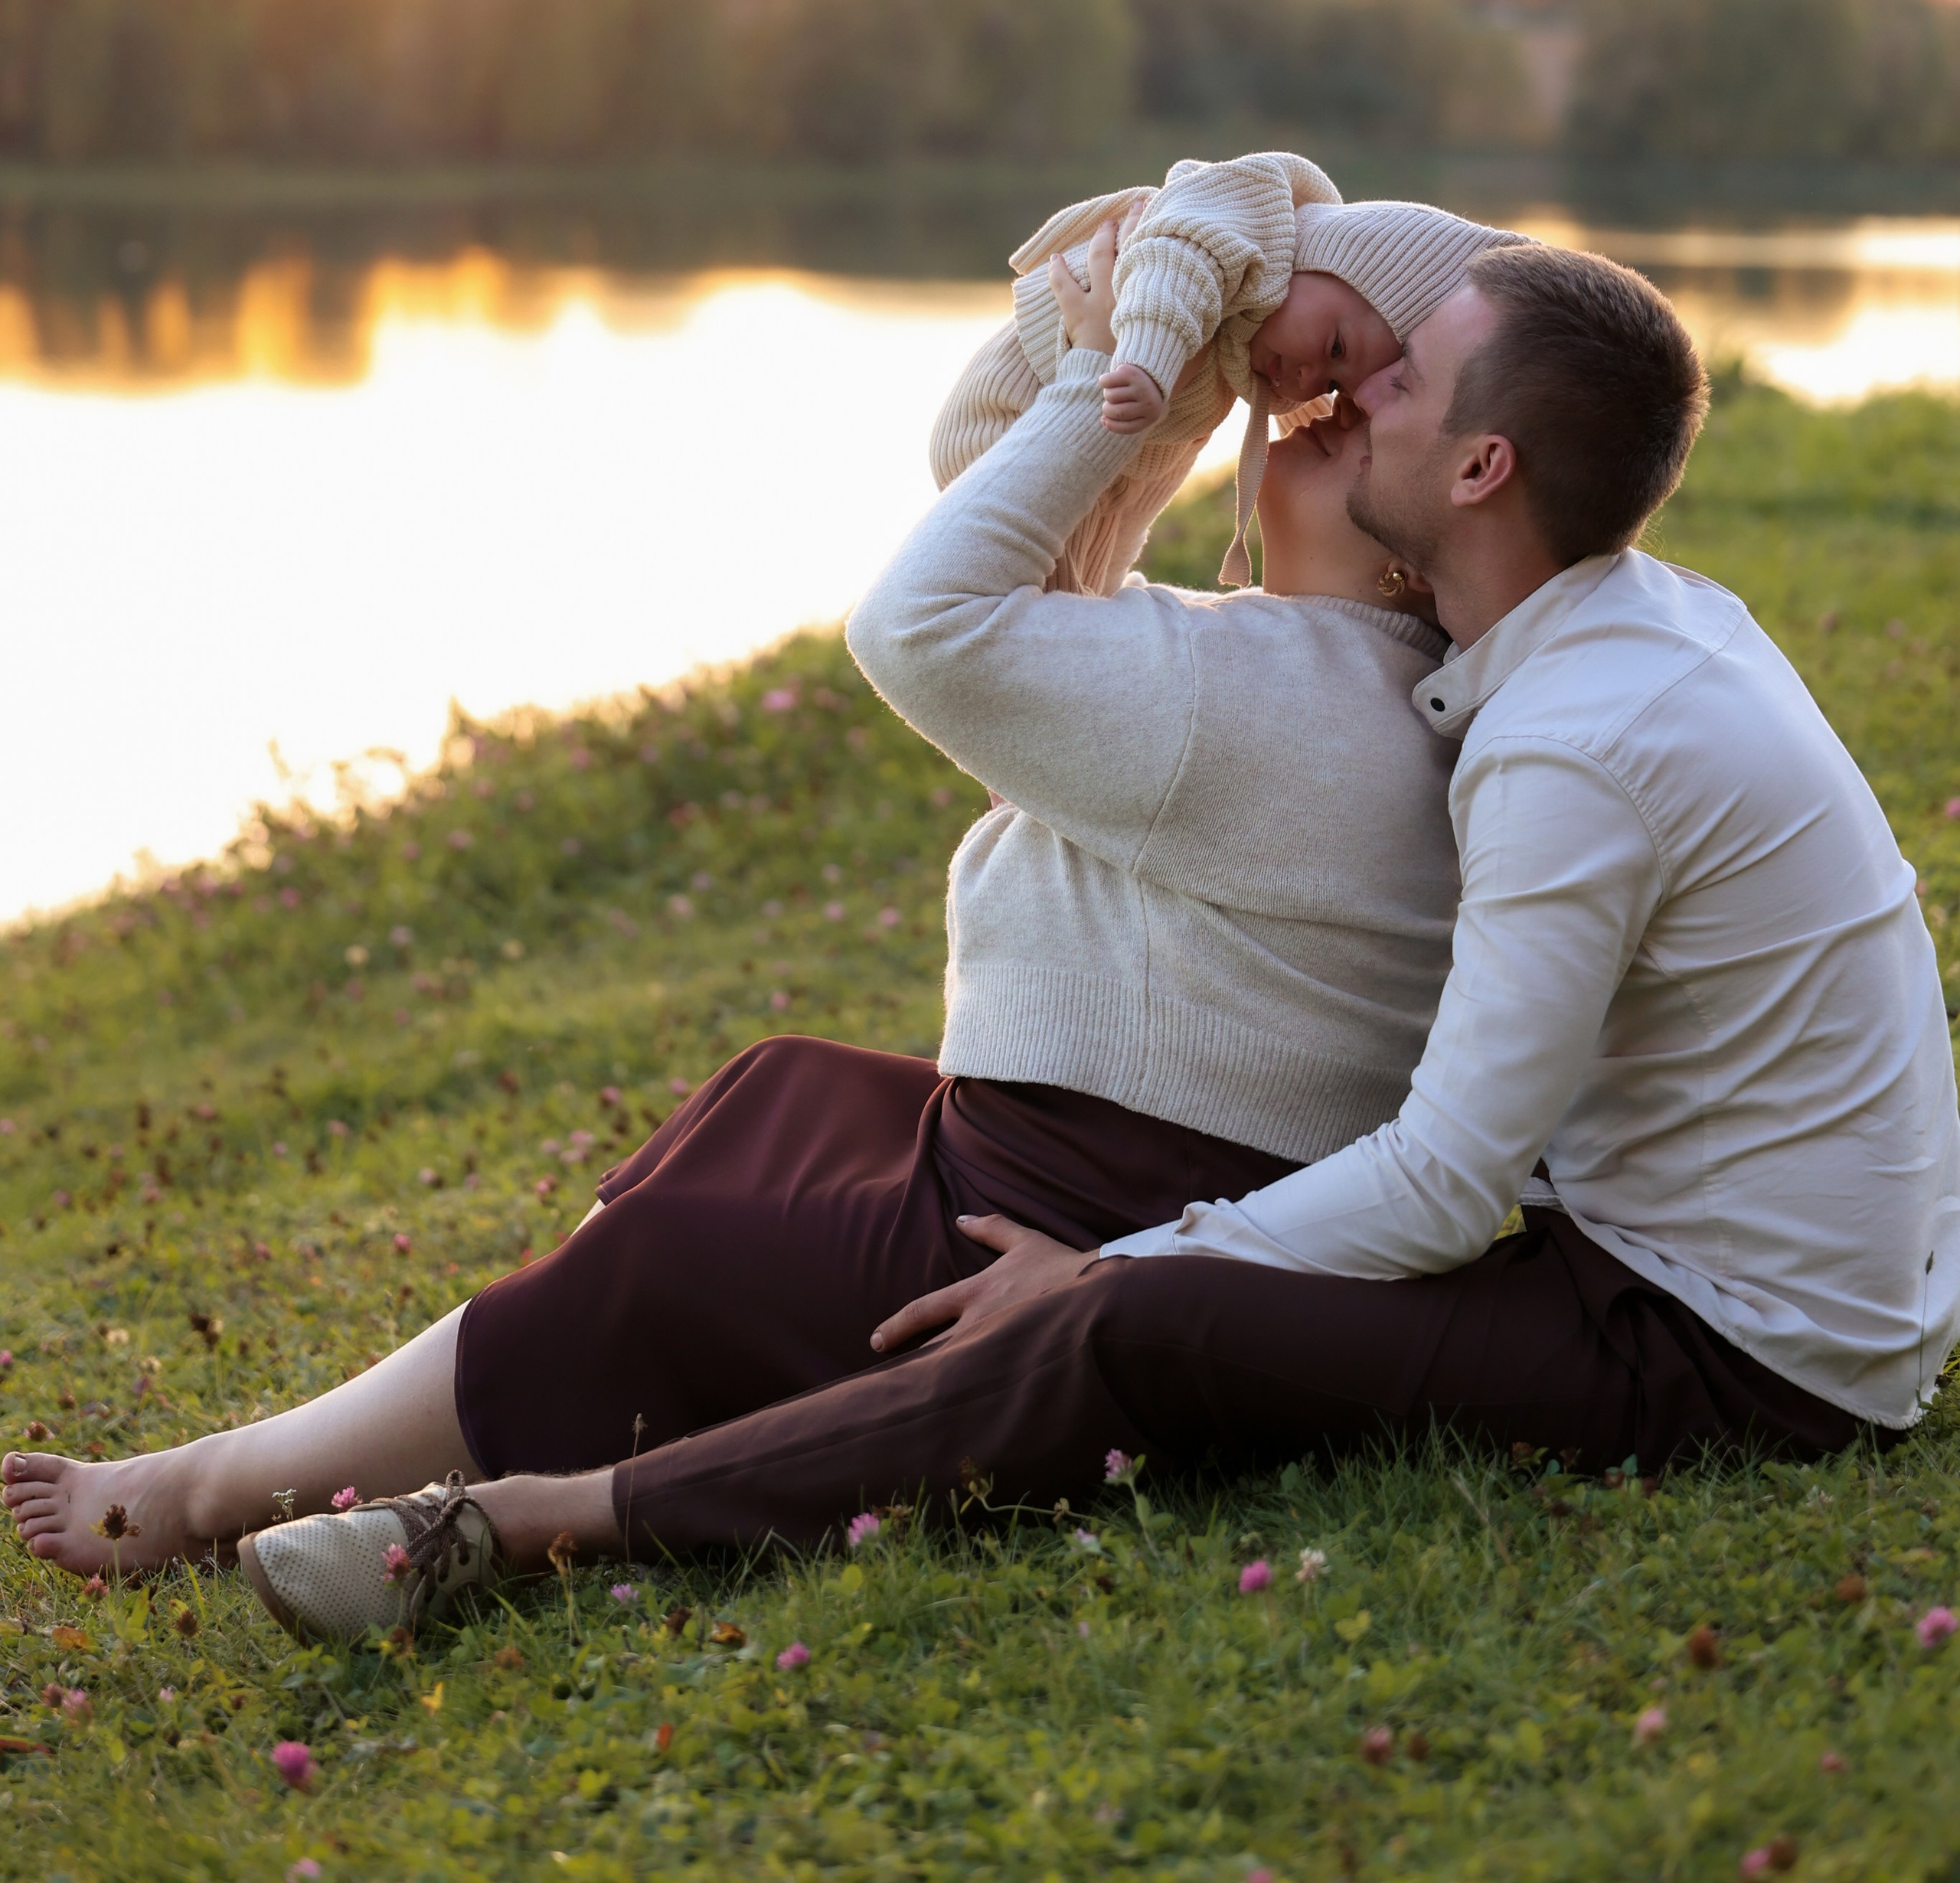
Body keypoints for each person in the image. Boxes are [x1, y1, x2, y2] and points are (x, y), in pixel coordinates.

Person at [180, 233, 1952, 1588]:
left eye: (1398, 384)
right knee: (846, 1129)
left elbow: (1448, 1174)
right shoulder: (1621, 614)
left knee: (1114, 1326)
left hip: (1728, 1342)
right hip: (1703, 1247)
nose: (1350, 394)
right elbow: (1539, 345)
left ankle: (554, 1517)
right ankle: (569, 1405)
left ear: (1482, 473)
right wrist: (1250, 254)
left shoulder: (1567, 740)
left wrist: (1120, 1259)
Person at [3, 191, 1510, 1627]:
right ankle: (533, 1349)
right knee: (784, 1093)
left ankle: (205, 1491)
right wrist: (1191, 351)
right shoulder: (1337, 672)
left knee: (668, 1267)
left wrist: (1117, 381)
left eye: (1355, 414)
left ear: (1432, 520)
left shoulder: (1269, 691)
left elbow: (923, 616)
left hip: (1064, 1220)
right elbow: (1021, 546)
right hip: (1140, 1163)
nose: (1312, 412)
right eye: (1322, 390)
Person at [933, 149, 1518, 592]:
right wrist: (1146, 362)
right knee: (1041, 595)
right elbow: (1172, 267)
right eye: (1335, 347)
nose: (1312, 378)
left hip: (1129, 447)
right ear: (1328, 257)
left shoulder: (1281, 329)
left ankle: (1090, 603)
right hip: (1015, 415)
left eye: (1335, 384)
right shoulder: (1250, 217)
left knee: (1098, 572)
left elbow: (1325, 413)